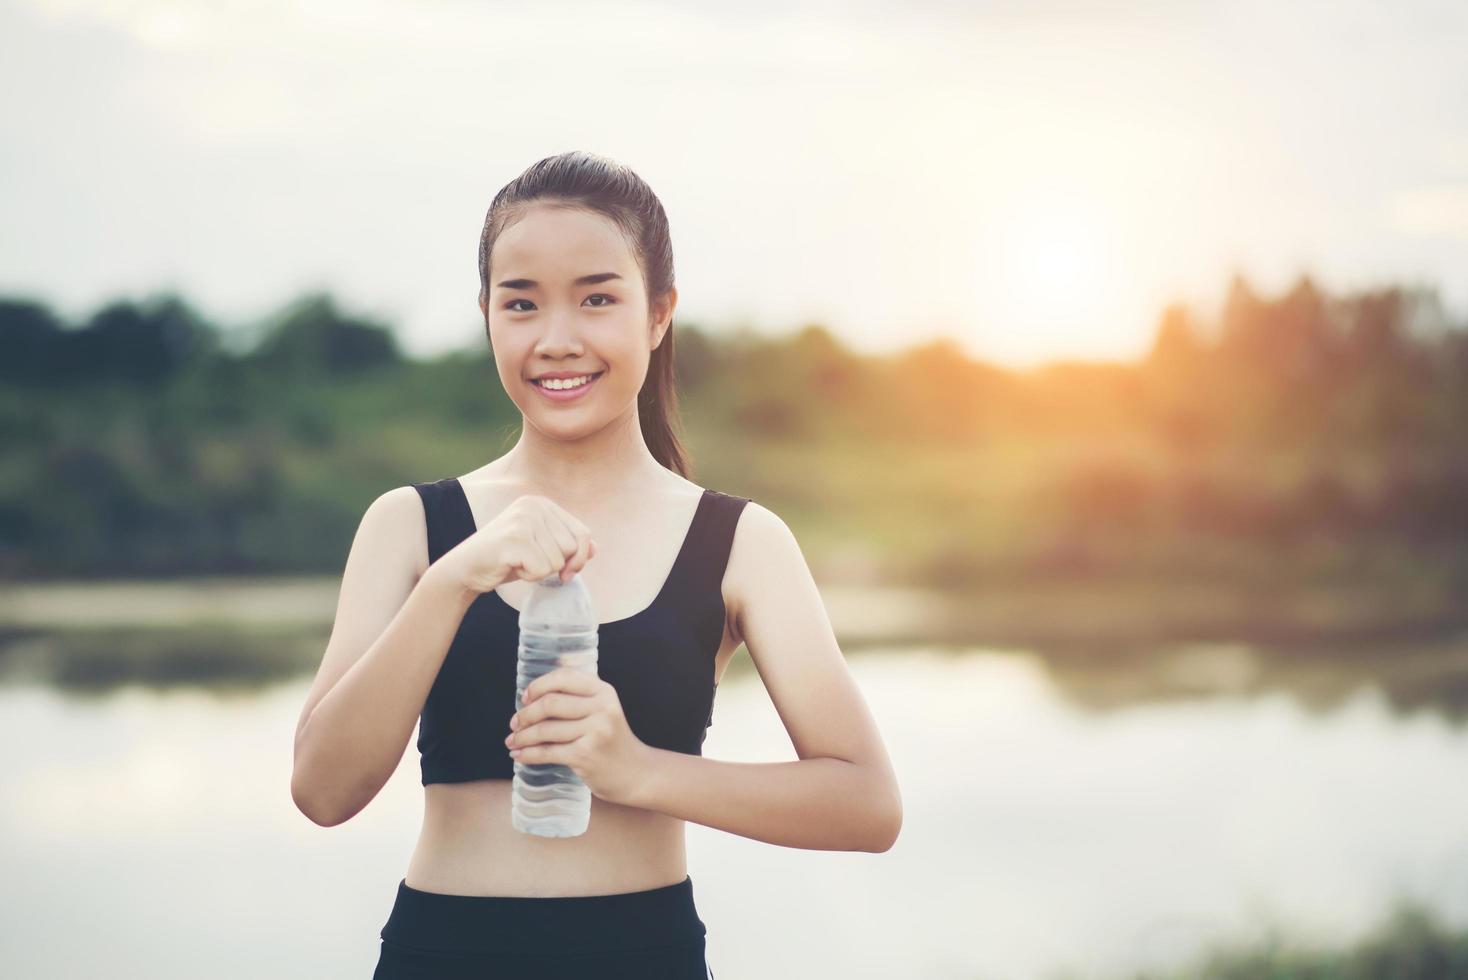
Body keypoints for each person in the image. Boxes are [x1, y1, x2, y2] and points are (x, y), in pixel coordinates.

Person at [290, 150, 903, 979]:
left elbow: (866, 806)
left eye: (598, 298)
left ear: (658, 315)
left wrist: (641, 771)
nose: (557, 339)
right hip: (441, 953)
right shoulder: (411, 528)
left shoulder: (739, 541)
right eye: (522, 303)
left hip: (644, 954)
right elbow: (324, 793)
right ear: (488, 317)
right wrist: (453, 581)